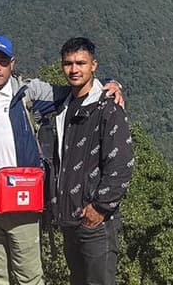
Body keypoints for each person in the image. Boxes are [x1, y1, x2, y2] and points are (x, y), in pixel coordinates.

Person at [0, 34, 124, 285]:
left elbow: (78, 87)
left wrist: (111, 84)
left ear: (12, 63)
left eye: (2, 61)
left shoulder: (29, 92)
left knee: (29, 275)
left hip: (21, 195)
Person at [38, 37, 133, 285]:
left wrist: (100, 207)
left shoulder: (108, 108)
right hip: (69, 218)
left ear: (94, 65)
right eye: (68, 63)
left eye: (81, 63)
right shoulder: (62, 106)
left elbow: (121, 164)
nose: (74, 69)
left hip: (96, 222)